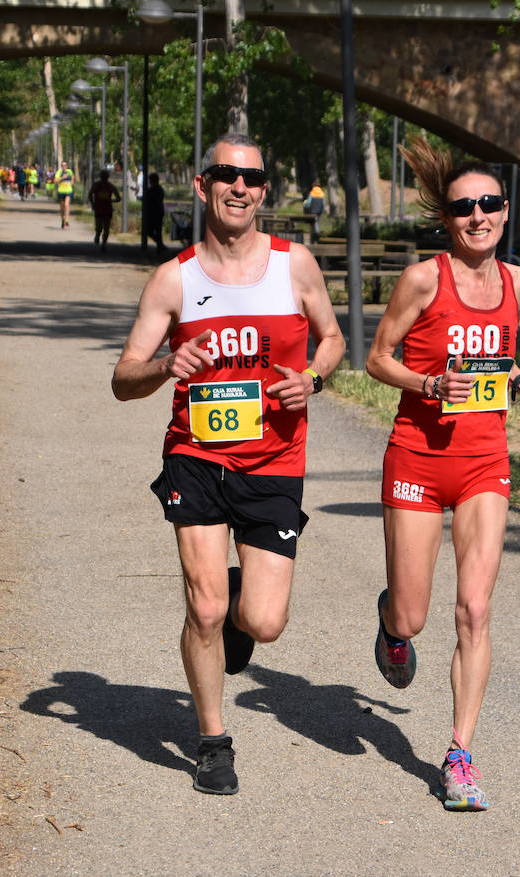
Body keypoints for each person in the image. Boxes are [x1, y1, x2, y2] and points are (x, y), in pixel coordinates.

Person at [112, 134, 345, 796]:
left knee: (263, 621)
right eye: (226, 176)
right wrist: (165, 365)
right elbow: (123, 377)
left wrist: (313, 380)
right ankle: (213, 741)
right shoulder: (175, 278)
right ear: (202, 184)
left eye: (252, 178)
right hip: (195, 456)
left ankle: (242, 601)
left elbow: (332, 339)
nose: (239, 188)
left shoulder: (293, 265)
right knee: (205, 609)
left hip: (274, 459)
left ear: (264, 191)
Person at [364, 136, 520, 812]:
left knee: (475, 610)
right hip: (417, 459)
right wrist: (426, 383)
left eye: (490, 204)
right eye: (463, 208)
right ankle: (390, 626)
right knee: (416, 615)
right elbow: (377, 358)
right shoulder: (424, 279)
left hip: (484, 462)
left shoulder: (519, 282)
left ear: (505, 211)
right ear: (446, 220)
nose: (478, 215)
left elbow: (494, 360)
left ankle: (459, 755)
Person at [88, 169, 121, 251]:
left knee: (106, 228)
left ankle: (103, 244)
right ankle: (97, 235)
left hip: (107, 209)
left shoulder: (110, 186)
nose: (104, 178)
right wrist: (93, 204)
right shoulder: (96, 185)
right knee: (99, 227)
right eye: (103, 177)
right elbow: (90, 194)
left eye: (105, 177)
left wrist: (111, 200)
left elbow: (118, 198)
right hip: (98, 209)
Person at [141, 172, 167, 253]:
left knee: (149, 230)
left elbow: (148, 200)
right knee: (158, 230)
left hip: (153, 213)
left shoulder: (152, 190)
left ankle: (160, 245)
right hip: (159, 212)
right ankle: (160, 245)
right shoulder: (160, 189)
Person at [55, 160, 76, 227]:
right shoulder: (59, 172)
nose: (64, 166)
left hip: (68, 191)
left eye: (65, 165)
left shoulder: (69, 171)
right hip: (61, 191)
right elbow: (55, 181)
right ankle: (62, 220)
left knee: (66, 205)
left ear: (67, 166)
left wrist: (72, 183)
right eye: (62, 165)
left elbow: (73, 178)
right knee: (62, 207)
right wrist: (62, 178)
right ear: (61, 166)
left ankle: (67, 219)